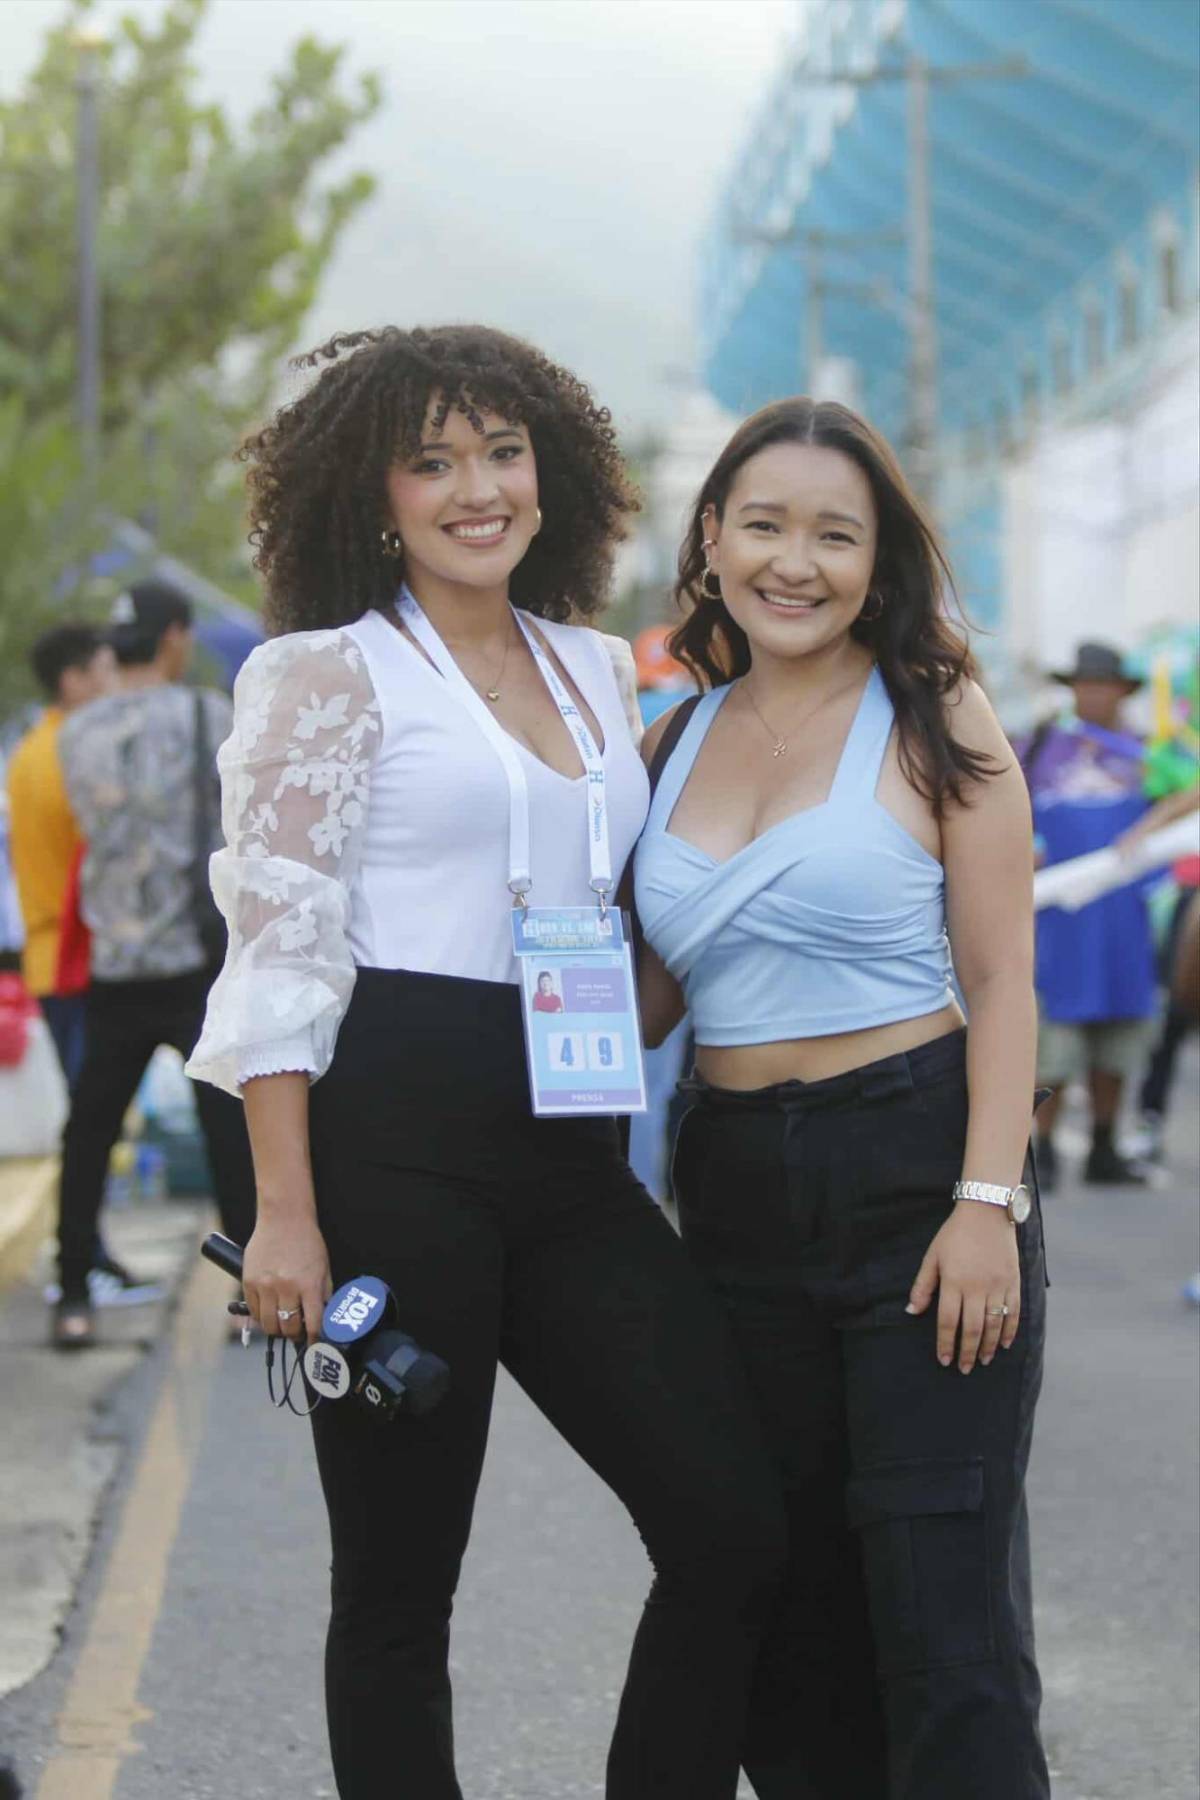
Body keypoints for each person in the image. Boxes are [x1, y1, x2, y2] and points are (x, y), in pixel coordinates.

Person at [186, 325, 785, 1800]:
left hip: (576, 1139)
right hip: (392, 1140)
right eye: (433, 460)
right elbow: (279, 951)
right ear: (370, 493)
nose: (477, 489)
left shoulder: (594, 668)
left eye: (503, 453)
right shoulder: (324, 675)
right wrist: (286, 1211)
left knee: (733, 1525)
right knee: (400, 1590)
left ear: (553, 473)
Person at [635, 397, 1049, 1800]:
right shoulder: (666, 744)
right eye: (764, 526)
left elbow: (1003, 981)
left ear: (880, 560)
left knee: (942, 1608)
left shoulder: (937, 712)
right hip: (736, 1190)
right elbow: (641, 1002)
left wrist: (986, 1204)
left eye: (834, 533)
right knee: (790, 1609)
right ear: (711, 540)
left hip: (919, 1165)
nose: (793, 562)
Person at [52, 582, 256, 1348]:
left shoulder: (75, 732)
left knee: (89, 1131)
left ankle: (73, 1292)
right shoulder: (210, 716)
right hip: (195, 962)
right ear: (174, 636)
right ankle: (252, 1287)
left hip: (114, 965)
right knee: (231, 1129)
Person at [1019, 641, 1156, 1188]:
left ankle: (1104, 1146)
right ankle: (1043, 1150)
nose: (1094, 694)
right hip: (1057, 927)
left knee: (1118, 1040)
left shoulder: (1150, 755)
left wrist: (1151, 826)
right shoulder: (1036, 748)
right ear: (1072, 689)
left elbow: (1187, 799)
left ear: (1123, 692)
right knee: (1054, 1044)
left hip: (1126, 924)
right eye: (1085, 684)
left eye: (1105, 686)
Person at [6, 624, 113, 1089]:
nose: (113, 681)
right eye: (105, 670)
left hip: (47, 956)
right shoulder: (72, 754)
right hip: (80, 957)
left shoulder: (28, 751)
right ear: (73, 680)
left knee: (87, 1106)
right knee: (95, 1113)